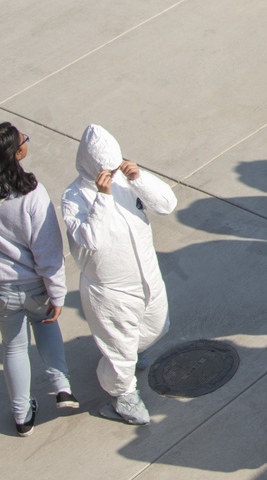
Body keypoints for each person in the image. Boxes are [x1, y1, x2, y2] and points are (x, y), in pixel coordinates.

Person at [62, 124, 177, 425]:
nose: (113, 173)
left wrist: (140, 179)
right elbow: (92, 241)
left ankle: (121, 361)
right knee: (119, 346)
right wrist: (102, 197)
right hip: (110, 290)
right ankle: (123, 397)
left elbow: (166, 204)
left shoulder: (127, 182)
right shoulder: (74, 197)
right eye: (107, 169)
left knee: (157, 325)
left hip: (146, 275)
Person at [0, 123, 78, 437]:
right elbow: (48, 252)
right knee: (47, 326)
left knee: (14, 350)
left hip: (3, 292)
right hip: (34, 286)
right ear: (17, 153)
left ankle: (22, 418)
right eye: (24, 140)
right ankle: (62, 388)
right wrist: (57, 295)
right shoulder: (32, 194)